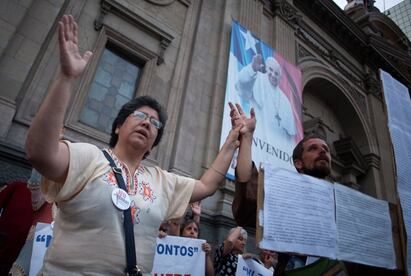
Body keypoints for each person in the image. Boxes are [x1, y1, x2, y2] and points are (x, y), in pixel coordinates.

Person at [25, 14, 241, 275]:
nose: (147, 122)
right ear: (118, 126)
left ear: (153, 143)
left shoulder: (162, 181)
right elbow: (40, 153)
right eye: (140, 115)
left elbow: (207, 185)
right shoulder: (88, 157)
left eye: (154, 123)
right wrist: (66, 77)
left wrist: (232, 139)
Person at [229, 103, 334, 273]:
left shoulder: (338, 201)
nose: (322, 151)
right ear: (298, 163)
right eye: (313, 149)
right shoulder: (284, 192)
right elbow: (248, 184)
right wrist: (247, 137)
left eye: (325, 149)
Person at [236, 54, 296, 147]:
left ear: (280, 78)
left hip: (275, 147)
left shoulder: (285, 101)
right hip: (255, 138)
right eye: (271, 70)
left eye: (276, 73)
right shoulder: (257, 78)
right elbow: (242, 82)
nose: (273, 74)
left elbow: (290, 135)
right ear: (266, 68)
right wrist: (252, 68)